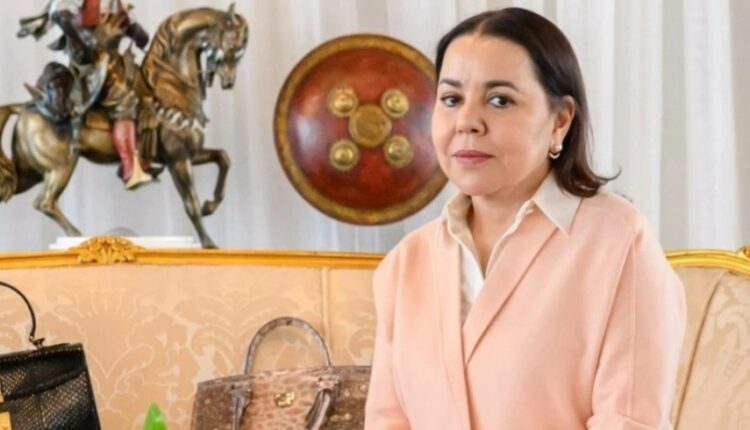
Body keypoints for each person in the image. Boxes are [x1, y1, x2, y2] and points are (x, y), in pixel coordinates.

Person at [364, 8, 686, 430]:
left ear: (560, 120)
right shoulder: (406, 263)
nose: (467, 122)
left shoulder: (619, 241)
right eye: (452, 99)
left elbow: (629, 422)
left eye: (500, 100)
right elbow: (388, 421)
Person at [18, 0, 153, 189]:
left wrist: (136, 31)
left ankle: (148, 146)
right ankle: (131, 166)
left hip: (114, 60)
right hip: (91, 66)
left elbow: (135, 29)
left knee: (147, 84)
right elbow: (62, 15)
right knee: (125, 99)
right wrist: (89, 40)